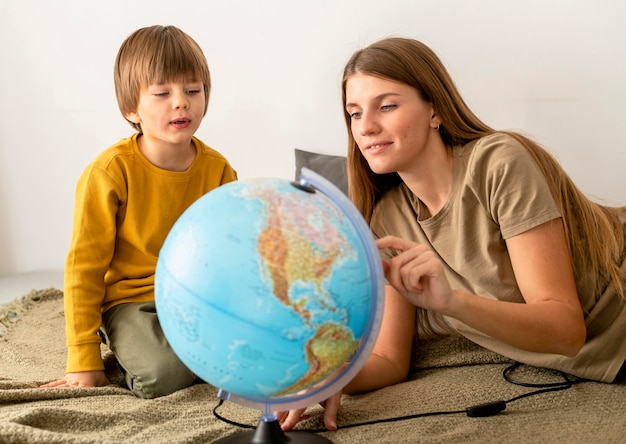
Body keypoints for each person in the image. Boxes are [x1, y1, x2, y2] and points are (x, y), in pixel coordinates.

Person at [279, 37, 626, 431]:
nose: (366, 127)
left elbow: (566, 331)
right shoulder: (388, 217)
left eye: (386, 105)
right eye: (354, 113)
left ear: (435, 109)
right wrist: (330, 377)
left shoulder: (498, 162)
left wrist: (452, 302)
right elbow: (391, 360)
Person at [40, 25, 237, 398]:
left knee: (244, 356)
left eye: (193, 91)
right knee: (164, 377)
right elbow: (84, 267)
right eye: (162, 93)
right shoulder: (110, 172)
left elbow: (227, 254)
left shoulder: (219, 170)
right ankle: (114, 335)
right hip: (129, 301)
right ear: (131, 108)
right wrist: (83, 358)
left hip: (194, 297)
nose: (181, 102)